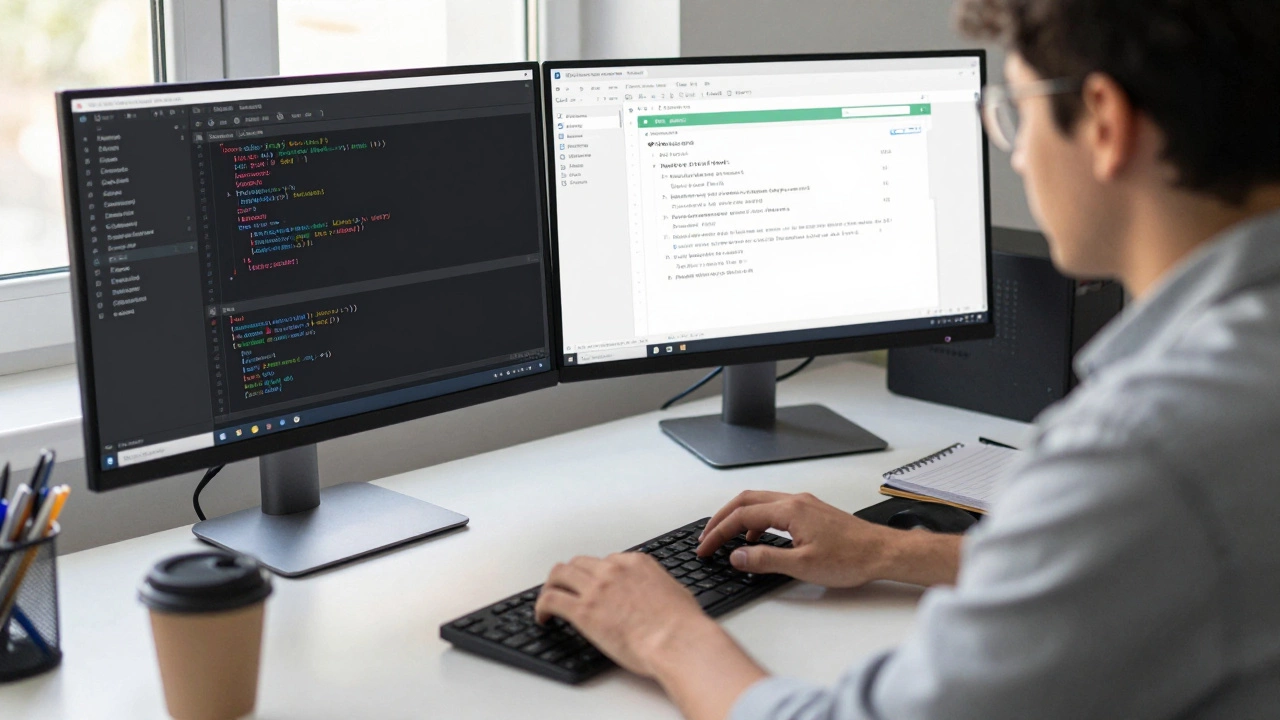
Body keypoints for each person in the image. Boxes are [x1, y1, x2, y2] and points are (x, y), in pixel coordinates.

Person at [533, 0, 1280, 717]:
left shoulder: (1143, 447)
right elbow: (1135, 575)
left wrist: (665, 632)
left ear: (1107, 124)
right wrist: (892, 551)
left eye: (1013, 114)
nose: (1016, 155)